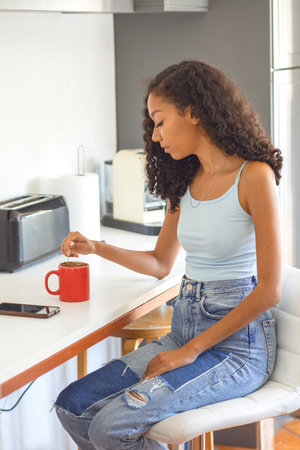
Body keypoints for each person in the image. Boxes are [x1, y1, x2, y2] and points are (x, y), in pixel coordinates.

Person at [55, 60, 283, 450]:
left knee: (108, 427)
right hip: (183, 331)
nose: (155, 135)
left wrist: (190, 352)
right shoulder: (185, 181)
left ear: (193, 112)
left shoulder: (254, 176)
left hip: (237, 350)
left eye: (159, 121)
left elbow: (270, 290)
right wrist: (97, 247)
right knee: (73, 406)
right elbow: (161, 262)